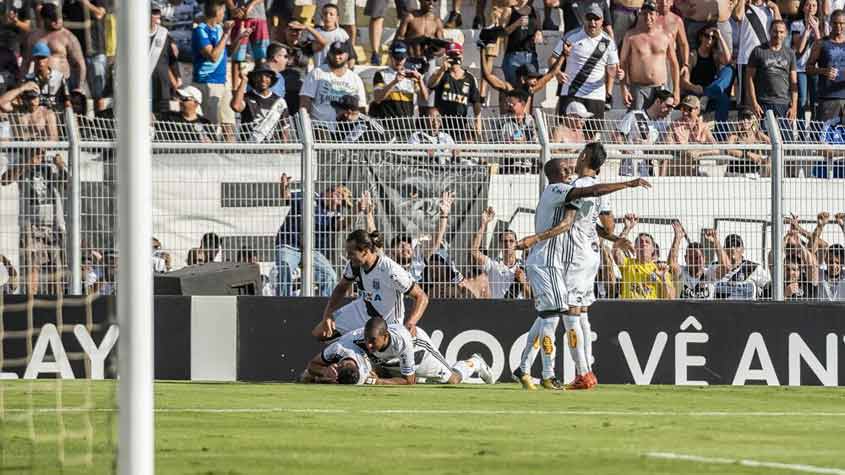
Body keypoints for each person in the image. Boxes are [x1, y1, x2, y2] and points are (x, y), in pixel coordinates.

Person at [513, 148, 651, 390]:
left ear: (585, 157)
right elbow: (606, 225)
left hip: (572, 256)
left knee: (565, 314)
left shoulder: (578, 185)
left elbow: (569, 223)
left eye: (578, 156)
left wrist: (628, 184)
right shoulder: (594, 188)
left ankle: (581, 373)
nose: (572, 163)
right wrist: (615, 238)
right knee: (569, 313)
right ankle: (528, 368)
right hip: (592, 254)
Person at [312, 230, 429, 340]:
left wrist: (411, 323)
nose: (348, 257)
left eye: (351, 253)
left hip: (387, 323)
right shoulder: (354, 265)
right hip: (362, 310)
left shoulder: (390, 270)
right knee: (320, 332)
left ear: (365, 251)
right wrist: (327, 315)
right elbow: (341, 288)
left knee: (375, 345)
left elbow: (421, 296)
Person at [275, 173, 356, 296]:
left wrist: (357, 211)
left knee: (330, 275)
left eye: (342, 205)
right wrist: (284, 186)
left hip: (311, 251)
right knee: (285, 267)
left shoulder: (334, 213)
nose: (339, 205)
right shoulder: (309, 197)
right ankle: (282, 306)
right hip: (289, 244)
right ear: (333, 193)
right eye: (340, 200)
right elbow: (286, 197)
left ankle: (324, 310)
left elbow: (340, 225)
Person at [1, 148, 67, 295]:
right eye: (37, 152)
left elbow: (68, 184)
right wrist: (27, 164)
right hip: (32, 226)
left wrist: (61, 166)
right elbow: (4, 180)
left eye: (42, 152)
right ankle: (32, 306)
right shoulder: (23, 165)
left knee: (56, 271)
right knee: (32, 268)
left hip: (53, 225)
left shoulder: (51, 165)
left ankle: (57, 308)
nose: (40, 156)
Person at [551, 3, 620, 118]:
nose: (592, 23)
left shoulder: (608, 42)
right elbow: (553, 58)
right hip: (571, 92)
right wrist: (557, 73)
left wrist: (617, 74)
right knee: (565, 132)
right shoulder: (571, 36)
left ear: (602, 20)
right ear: (584, 19)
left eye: (596, 19)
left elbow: (612, 69)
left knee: (592, 134)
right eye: (589, 18)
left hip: (595, 96)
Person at [192, 0, 249, 139]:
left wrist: (239, 38)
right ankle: (211, 156)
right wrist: (226, 34)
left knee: (229, 123)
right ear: (217, 13)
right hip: (207, 83)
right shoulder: (200, 30)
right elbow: (213, 56)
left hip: (222, 82)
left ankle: (231, 155)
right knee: (211, 125)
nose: (224, 15)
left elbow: (227, 52)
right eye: (223, 12)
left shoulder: (219, 28)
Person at [620, 0, 680, 110]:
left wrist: (676, 90)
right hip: (638, 88)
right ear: (640, 15)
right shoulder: (631, 36)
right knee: (637, 124)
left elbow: (674, 64)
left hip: (661, 88)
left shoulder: (666, 36)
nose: (648, 17)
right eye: (644, 13)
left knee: (661, 124)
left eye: (651, 13)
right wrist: (624, 88)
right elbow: (623, 63)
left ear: (657, 15)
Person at [23, 3, 86, 94]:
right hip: (38, 85)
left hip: (62, 86)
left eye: (59, 18)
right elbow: (25, 63)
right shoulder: (34, 37)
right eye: (53, 19)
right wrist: (22, 83)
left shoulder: (67, 36)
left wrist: (80, 87)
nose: (58, 21)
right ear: (44, 19)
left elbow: (81, 64)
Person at [470, 207, 531, 299]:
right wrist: (483, 224)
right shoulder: (493, 264)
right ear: (500, 244)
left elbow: (531, 298)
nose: (508, 244)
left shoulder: (524, 268)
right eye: (504, 241)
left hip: (518, 311)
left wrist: (524, 282)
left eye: (511, 241)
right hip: (497, 311)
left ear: (516, 244)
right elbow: (474, 251)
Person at [299, 40, 367, 123]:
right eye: (334, 53)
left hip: (346, 127)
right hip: (320, 125)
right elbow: (305, 100)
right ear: (329, 54)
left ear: (347, 55)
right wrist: (306, 122)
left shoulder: (355, 78)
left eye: (340, 53)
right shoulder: (316, 73)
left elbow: (361, 107)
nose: (336, 57)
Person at [427, 41, 482, 141]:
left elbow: (476, 102)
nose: (454, 59)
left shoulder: (469, 78)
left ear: (461, 56)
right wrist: (441, 70)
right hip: (442, 126)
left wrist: (477, 124)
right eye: (450, 55)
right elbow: (430, 85)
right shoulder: (441, 73)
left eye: (456, 55)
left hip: (461, 126)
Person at [481, 45, 565, 110]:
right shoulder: (509, 88)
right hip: (509, 126)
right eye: (532, 78)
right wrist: (482, 52)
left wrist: (564, 54)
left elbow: (552, 73)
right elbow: (487, 76)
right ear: (523, 79)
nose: (536, 81)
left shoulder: (531, 89)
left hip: (525, 126)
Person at [612, 215, 675, 299]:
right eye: (640, 242)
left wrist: (663, 279)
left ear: (653, 249)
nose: (643, 244)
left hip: (651, 310)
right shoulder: (628, 263)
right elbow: (616, 249)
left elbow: (671, 298)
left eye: (647, 242)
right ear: (635, 247)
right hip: (629, 309)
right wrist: (627, 228)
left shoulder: (660, 269)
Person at [680, 25, 734, 122]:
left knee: (729, 69)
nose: (710, 39)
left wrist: (720, 36)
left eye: (713, 37)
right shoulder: (693, 55)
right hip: (697, 95)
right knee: (722, 97)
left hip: (710, 95)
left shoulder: (714, 55)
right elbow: (684, 82)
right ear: (701, 37)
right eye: (707, 36)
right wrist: (694, 87)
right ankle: (709, 92)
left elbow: (728, 60)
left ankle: (720, 134)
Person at [745, 20, 797, 120]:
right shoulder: (758, 51)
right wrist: (754, 103)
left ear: (786, 34)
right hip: (763, 103)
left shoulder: (790, 53)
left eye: (781, 32)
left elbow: (794, 81)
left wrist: (794, 106)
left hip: (784, 104)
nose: (778, 35)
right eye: (775, 31)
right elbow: (749, 79)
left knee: (784, 135)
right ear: (769, 32)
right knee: (764, 135)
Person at [615, 89, 674, 176]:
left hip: (648, 172)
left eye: (672, 107)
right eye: (668, 106)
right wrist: (627, 151)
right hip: (629, 171)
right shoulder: (635, 115)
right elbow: (617, 135)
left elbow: (664, 153)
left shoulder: (664, 125)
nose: (670, 110)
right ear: (657, 101)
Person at [62, 0, 107, 107]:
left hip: (95, 51)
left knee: (98, 94)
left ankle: (99, 121)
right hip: (76, 53)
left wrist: (85, 3)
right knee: (76, 93)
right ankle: (78, 121)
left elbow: (99, 13)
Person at [735, 0, 780, 105]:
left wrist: (776, 9)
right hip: (746, 59)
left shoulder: (770, 9)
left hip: (766, 59)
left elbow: (780, 29)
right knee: (746, 101)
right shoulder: (744, 7)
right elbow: (737, 16)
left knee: (764, 98)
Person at [231, 63, 289, 142]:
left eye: (267, 76)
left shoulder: (280, 102)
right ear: (253, 79)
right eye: (259, 76)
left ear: (271, 80)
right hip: (249, 148)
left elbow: (284, 129)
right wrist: (244, 81)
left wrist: (283, 151)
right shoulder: (246, 98)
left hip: (272, 150)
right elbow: (236, 106)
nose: (263, 79)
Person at [371, 41, 428, 119]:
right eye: (397, 58)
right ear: (390, 56)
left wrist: (420, 81)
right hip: (388, 125)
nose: (399, 61)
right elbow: (377, 98)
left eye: (402, 58)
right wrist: (394, 82)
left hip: (407, 126)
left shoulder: (410, 75)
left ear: (406, 58)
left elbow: (424, 98)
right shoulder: (381, 74)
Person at [663, 94, 718, 176]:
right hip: (675, 176)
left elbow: (716, 150)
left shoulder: (703, 127)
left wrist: (699, 153)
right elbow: (666, 148)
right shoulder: (674, 126)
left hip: (694, 176)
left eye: (689, 109)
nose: (685, 113)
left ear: (697, 110)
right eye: (683, 109)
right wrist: (684, 152)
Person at [807, 9, 845, 121]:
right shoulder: (821, 43)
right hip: (827, 99)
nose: (839, 26)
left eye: (842, 23)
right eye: (835, 23)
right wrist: (823, 71)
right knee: (825, 136)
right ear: (830, 23)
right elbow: (808, 68)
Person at [668, 223, 723, 299]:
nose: (694, 261)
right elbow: (671, 264)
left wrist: (716, 242)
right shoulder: (682, 272)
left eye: (697, 257)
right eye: (691, 257)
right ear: (685, 259)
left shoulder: (709, 274)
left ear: (704, 259)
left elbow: (725, 267)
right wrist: (677, 238)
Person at [709, 233, 771, 299]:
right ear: (724, 249)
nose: (733, 248)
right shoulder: (714, 266)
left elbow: (768, 287)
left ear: (743, 249)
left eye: (737, 245)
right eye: (729, 245)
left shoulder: (753, 268)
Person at [501, 0, 543, 89]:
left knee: (530, 90)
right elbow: (501, 33)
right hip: (513, 55)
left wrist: (539, 34)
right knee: (512, 90)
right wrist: (516, 24)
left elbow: (538, 30)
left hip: (531, 56)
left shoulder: (535, 12)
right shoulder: (509, 10)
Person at [226, 0, 270, 81]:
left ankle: (260, 83)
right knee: (237, 57)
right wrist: (232, 8)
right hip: (239, 15)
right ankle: (235, 89)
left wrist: (251, 4)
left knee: (262, 56)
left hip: (259, 16)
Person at [791, 0, 822, 117]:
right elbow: (799, 49)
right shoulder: (796, 24)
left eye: (814, 5)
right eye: (808, 5)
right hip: (800, 68)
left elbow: (823, 47)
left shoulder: (824, 25)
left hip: (816, 68)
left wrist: (817, 30)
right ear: (803, 7)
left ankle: (816, 132)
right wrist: (807, 30)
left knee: (815, 102)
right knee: (802, 101)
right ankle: (801, 133)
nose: (811, 8)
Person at [150, 6, 181, 118]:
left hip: (162, 88)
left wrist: (177, 78)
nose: (156, 16)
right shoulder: (134, 35)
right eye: (153, 12)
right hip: (141, 87)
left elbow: (172, 60)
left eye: (157, 12)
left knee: (163, 120)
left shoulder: (165, 35)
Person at [22, 41, 69, 112]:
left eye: (43, 57)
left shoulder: (59, 77)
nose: (40, 61)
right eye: (38, 58)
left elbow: (67, 101)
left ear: (48, 58)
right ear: (34, 59)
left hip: (56, 115)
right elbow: (23, 101)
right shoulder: (28, 78)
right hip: (35, 116)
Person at [725, 107, 771, 176]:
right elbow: (727, 150)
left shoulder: (757, 134)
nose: (745, 121)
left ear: (753, 120)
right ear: (739, 120)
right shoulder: (734, 136)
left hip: (753, 172)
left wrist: (763, 158)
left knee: (769, 163)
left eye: (748, 118)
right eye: (743, 118)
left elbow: (774, 143)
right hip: (736, 172)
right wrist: (748, 154)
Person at [309, 3, 351, 69]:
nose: (328, 16)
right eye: (325, 14)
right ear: (321, 16)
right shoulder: (314, 33)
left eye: (331, 14)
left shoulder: (342, 34)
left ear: (337, 18)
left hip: (336, 71)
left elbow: (350, 54)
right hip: (319, 70)